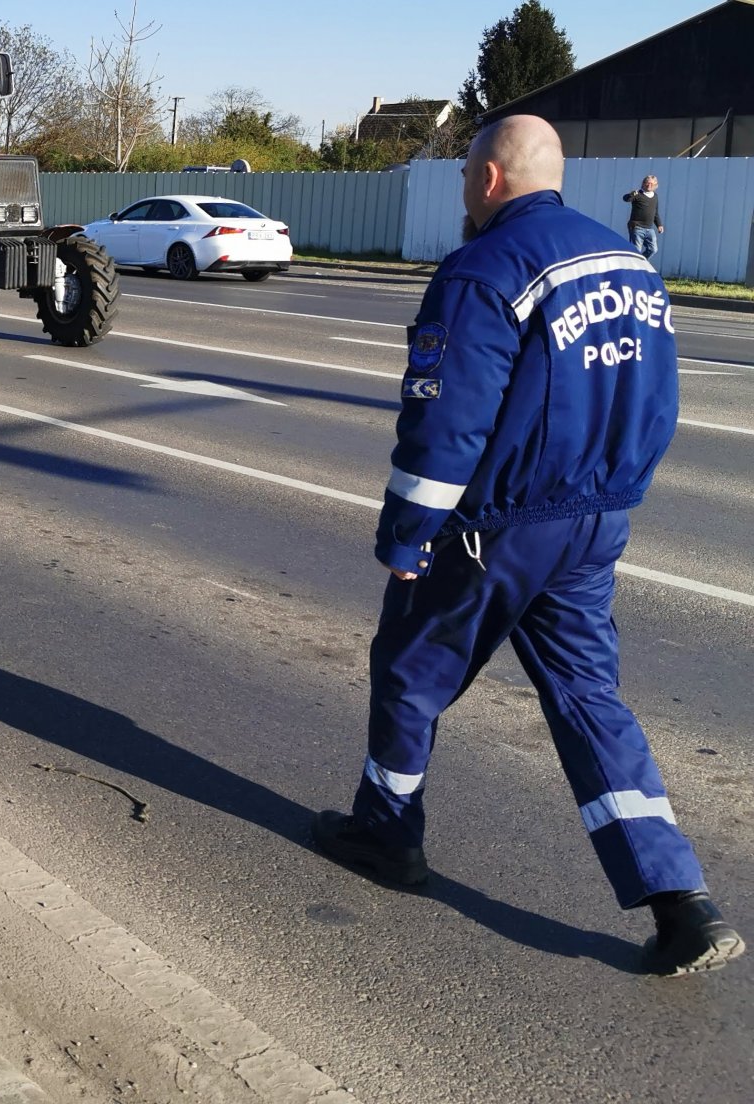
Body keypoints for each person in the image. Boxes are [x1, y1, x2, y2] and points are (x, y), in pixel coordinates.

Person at [311, 115, 742, 976]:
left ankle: (388, 836)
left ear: (490, 181)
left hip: (496, 528)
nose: (467, 193)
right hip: (594, 521)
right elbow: (659, 396)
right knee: (589, 697)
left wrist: (406, 535)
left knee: (407, 665)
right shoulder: (630, 265)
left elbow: (447, 423)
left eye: (469, 177)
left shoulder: (484, 270)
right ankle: (681, 901)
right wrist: (615, 496)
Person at [622, 175, 664, 262]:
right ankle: (634, 267)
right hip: (636, 227)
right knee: (636, 251)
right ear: (643, 184)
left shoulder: (655, 196)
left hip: (649, 229)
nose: (649, 185)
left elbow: (655, 212)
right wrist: (631, 194)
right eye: (647, 183)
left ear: (656, 185)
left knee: (653, 249)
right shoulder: (638, 194)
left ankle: (640, 263)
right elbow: (626, 199)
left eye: (652, 184)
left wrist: (659, 225)